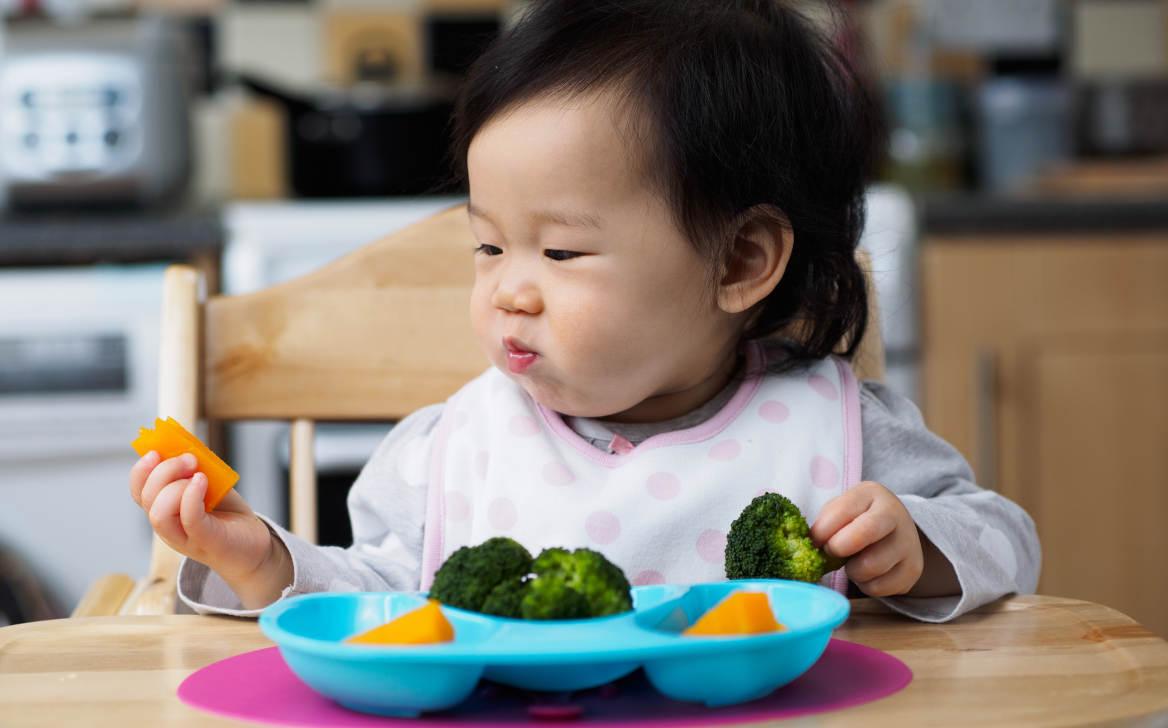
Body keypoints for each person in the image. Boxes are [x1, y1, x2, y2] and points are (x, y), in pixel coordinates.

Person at [128, 0, 1038, 623]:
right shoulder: (447, 452)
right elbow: (377, 600)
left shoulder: (837, 432)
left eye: (561, 252)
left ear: (742, 262)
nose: (508, 290)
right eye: (490, 247)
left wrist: (920, 549)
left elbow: (1008, 539)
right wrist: (263, 562)